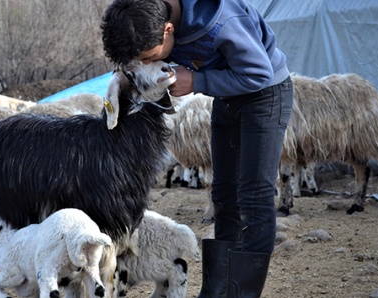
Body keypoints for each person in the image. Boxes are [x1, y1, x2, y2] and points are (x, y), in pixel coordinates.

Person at [101, 0, 293, 297]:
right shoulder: (145, 17)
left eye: (149, 57)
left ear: (168, 31)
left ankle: (242, 293)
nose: (148, 62)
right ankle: (216, 291)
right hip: (227, 96)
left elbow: (259, 74)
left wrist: (197, 80)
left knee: (254, 196)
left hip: (264, 95)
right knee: (224, 194)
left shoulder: (220, 21)